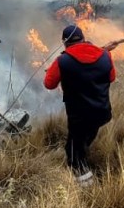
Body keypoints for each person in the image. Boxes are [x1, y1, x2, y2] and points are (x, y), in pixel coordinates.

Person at [44, 24, 116, 186]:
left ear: (65, 43)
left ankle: (85, 185)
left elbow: (49, 84)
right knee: (84, 139)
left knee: (73, 151)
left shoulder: (62, 61)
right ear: (83, 39)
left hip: (79, 116)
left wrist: (54, 72)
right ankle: (82, 157)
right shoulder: (105, 56)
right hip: (101, 112)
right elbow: (111, 77)